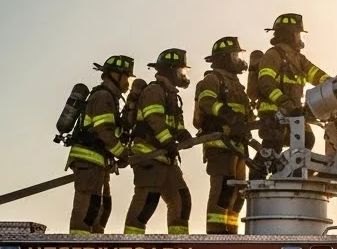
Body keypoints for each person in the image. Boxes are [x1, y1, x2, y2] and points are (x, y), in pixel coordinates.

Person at [124, 49, 193, 235]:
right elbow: (154, 118)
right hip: (148, 156)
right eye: (180, 71)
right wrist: (169, 141)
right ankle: (131, 245)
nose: (183, 75)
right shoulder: (154, 90)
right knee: (147, 202)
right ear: (170, 71)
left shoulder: (172, 96)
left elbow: (174, 124)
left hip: (166, 158)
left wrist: (182, 134)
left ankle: (178, 245)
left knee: (181, 199)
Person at [66, 55, 134, 234]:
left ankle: (93, 248)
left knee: (99, 207)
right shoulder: (103, 96)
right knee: (86, 207)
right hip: (88, 158)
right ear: (115, 75)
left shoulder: (110, 98)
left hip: (98, 161)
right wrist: (123, 153)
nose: (128, 81)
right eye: (126, 76)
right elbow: (104, 131)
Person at [193, 37, 254, 234]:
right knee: (222, 191)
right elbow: (206, 103)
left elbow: (247, 114)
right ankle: (216, 234)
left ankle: (231, 233)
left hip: (238, 147)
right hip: (219, 145)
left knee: (238, 194)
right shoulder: (212, 79)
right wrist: (229, 115)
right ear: (224, 58)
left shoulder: (237, 85)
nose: (238, 59)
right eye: (235, 55)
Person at [256, 14, 328, 160]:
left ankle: (289, 170)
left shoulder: (298, 59)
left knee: (307, 139)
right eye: (297, 33)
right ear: (289, 35)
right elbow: (265, 83)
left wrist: (336, 85)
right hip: (273, 113)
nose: (300, 38)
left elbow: (317, 75)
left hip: (294, 113)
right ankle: (257, 175)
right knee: (272, 147)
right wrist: (284, 102)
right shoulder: (272, 55)